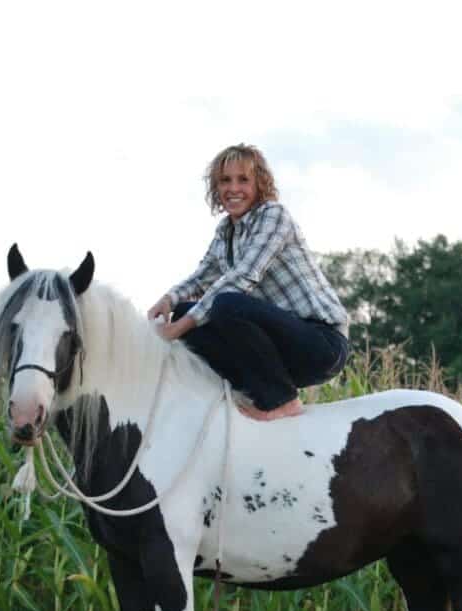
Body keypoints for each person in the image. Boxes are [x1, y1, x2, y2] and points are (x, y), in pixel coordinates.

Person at [147, 144, 349, 421]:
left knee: (226, 304)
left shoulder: (273, 216)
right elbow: (203, 275)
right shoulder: (225, 231)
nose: (233, 188)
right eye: (225, 180)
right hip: (275, 350)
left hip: (320, 343)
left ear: (259, 184)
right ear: (216, 188)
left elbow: (243, 276)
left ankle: (282, 400)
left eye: (243, 180)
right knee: (185, 311)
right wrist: (168, 300)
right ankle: (240, 392)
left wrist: (178, 327)